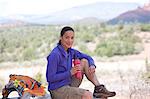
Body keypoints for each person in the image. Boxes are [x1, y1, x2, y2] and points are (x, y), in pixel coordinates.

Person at [46, 26, 116, 99]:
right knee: (88, 95)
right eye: (67, 38)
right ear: (61, 38)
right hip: (57, 89)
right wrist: (70, 72)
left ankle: (99, 88)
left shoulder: (70, 51)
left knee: (84, 62)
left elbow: (87, 57)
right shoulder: (55, 54)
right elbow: (50, 78)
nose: (70, 41)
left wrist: (92, 65)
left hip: (68, 83)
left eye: (72, 38)